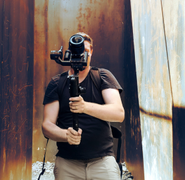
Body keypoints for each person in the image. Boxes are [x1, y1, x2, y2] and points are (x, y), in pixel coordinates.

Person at [42, 32, 124, 180]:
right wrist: (65, 135)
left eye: (85, 51)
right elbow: (47, 125)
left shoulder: (103, 76)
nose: (80, 56)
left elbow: (118, 113)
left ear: (91, 50)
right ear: (68, 53)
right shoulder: (56, 83)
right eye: (76, 52)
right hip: (68, 164)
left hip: (102, 161)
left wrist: (85, 107)